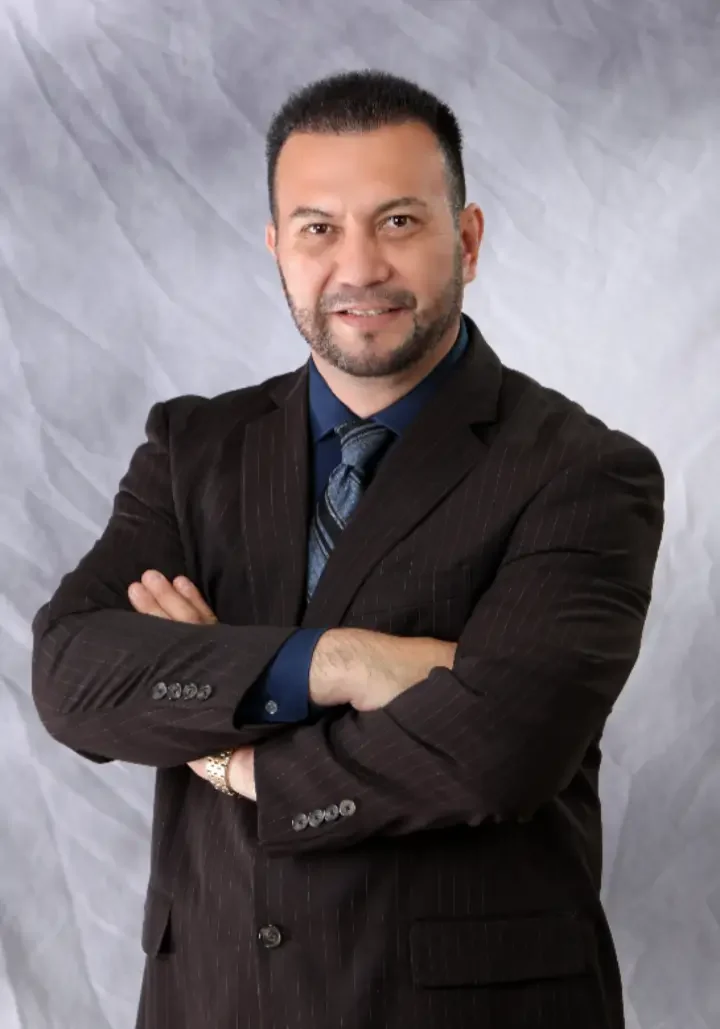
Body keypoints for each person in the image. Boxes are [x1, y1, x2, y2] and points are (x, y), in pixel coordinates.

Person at [31, 69, 664, 1029]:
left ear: (469, 238)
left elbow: (503, 748)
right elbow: (74, 676)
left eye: (400, 222)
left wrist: (237, 758)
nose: (359, 267)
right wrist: (340, 661)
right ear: (278, 249)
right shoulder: (190, 447)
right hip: (212, 1003)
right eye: (319, 227)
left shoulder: (584, 471)